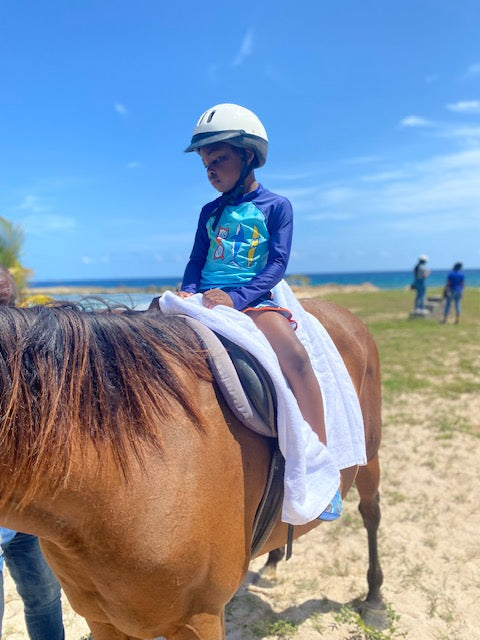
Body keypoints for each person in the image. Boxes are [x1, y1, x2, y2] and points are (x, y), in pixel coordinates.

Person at [178, 103, 341, 521]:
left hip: (251, 297)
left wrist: (239, 298)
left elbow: (276, 265)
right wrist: (189, 290)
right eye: (205, 164)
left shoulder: (276, 206)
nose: (211, 170)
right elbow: (197, 260)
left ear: (247, 156)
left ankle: (320, 465)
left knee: (295, 357)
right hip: (206, 296)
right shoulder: (209, 213)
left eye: (219, 160)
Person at [0, 266, 65, 640]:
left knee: (43, 596)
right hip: (25, 507)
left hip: (26, 509)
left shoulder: (28, 351)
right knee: (42, 597)